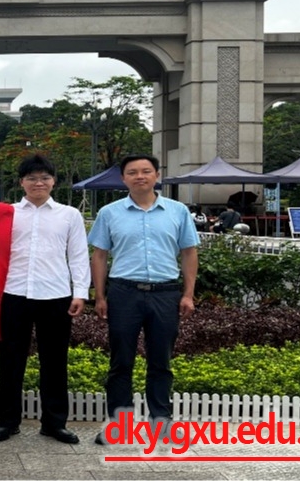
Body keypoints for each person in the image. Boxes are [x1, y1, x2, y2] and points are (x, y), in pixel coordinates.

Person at [88, 154, 199, 444]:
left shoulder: (177, 211)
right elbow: (99, 256)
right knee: (121, 361)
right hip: (124, 293)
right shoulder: (109, 213)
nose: (140, 176)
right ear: (123, 178)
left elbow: (189, 252)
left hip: (165, 293)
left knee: (161, 361)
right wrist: (99, 296)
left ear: (157, 175)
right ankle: (120, 425)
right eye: (133, 172)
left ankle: (161, 421)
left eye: (146, 171)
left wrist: (188, 294)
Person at [0, 155, 90, 444]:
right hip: (13, 294)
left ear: (53, 181)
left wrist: (80, 292)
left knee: (55, 361)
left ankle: (54, 423)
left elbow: (78, 255)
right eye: (32, 178)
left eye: (44, 178)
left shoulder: (69, 215)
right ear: (21, 182)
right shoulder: (7, 214)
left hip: (55, 295)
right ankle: (8, 422)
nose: (38, 183)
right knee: (10, 361)